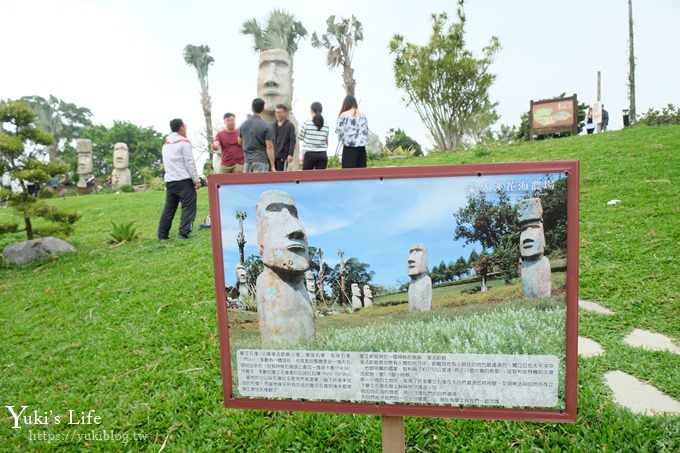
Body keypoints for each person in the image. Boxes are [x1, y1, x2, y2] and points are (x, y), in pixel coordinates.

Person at [157, 119, 201, 241]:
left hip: (170, 180)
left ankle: (162, 235)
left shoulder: (166, 144)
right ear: (181, 128)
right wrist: (196, 180)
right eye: (185, 125)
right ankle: (184, 232)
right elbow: (189, 162)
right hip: (183, 179)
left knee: (169, 208)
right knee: (189, 206)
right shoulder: (184, 142)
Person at [240, 98, 275, 173]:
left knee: (247, 184)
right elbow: (269, 147)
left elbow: (239, 141)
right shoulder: (266, 126)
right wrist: (272, 165)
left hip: (247, 161)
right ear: (263, 109)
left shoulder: (243, 124)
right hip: (261, 160)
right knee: (260, 184)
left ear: (252, 108)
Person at [336, 95, 369, 168]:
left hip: (349, 147)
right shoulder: (363, 115)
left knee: (348, 174)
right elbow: (366, 131)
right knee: (361, 173)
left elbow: (339, 131)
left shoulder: (344, 115)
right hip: (362, 148)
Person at [299, 102, 330, 170]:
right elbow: (326, 140)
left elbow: (300, 137)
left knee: (306, 178)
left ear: (311, 110)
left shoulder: (306, 123)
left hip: (309, 154)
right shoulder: (326, 125)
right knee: (321, 178)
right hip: (322, 154)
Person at [272, 104, 296, 171]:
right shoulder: (273, 125)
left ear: (285, 113)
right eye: (276, 112)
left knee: (280, 175)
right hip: (273, 156)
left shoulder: (290, 126)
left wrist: (290, 154)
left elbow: (292, 141)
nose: (277, 114)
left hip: (283, 155)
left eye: (279, 112)